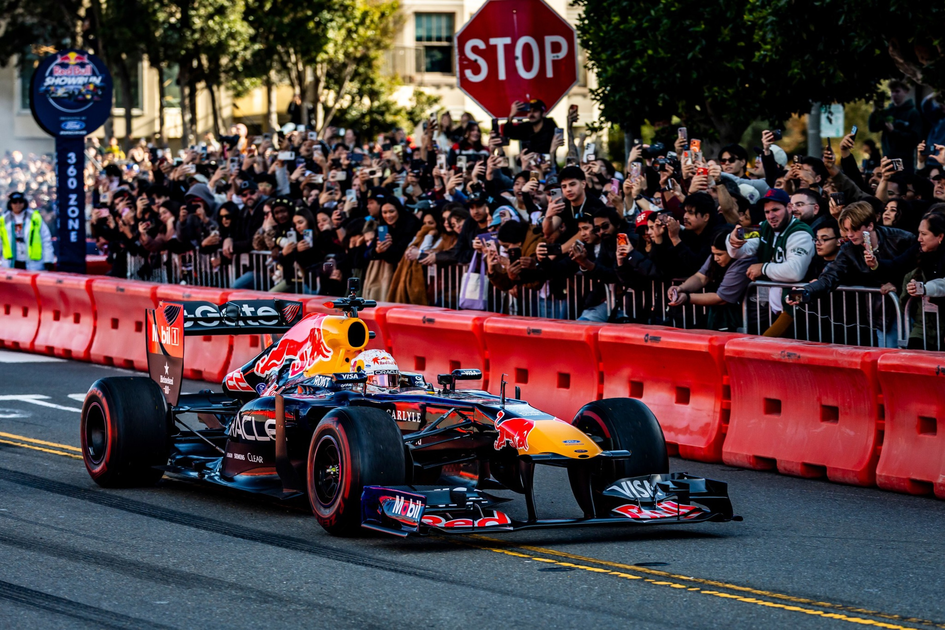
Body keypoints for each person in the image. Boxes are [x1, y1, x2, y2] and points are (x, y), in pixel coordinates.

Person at [788, 200, 918, 347]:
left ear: (869, 225)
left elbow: (917, 268)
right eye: (846, 229)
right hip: (881, 315)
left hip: (913, 309)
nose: (849, 235)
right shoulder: (849, 249)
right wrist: (803, 292)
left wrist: (897, 283)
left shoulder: (902, 239)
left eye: (854, 229)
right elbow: (830, 277)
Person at [667, 229, 757, 331]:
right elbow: (700, 277)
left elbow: (721, 298)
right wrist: (680, 288)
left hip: (746, 320)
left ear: (733, 252)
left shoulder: (743, 263)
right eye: (713, 254)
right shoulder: (714, 257)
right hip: (722, 316)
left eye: (719, 255)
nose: (715, 258)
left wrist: (686, 298)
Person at [903, 212, 945, 349]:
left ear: (940, 236)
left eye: (924, 234)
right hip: (923, 329)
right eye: (919, 233)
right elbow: (895, 267)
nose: (919, 239)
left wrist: (926, 288)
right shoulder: (921, 256)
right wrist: (910, 288)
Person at [868, 80, 922, 171]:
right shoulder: (888, 112)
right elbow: (873, 128)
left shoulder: (912, 113)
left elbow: (915, 138)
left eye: (897, 91)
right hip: (887, 157)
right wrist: (875, 111)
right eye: (892, 92)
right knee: (888, 183)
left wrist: (894, 132)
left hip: (904, 159)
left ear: (905, 92)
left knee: (903, 183)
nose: (894, 95)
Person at [1, 191, 54, 270]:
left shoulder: (35, 218)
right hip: (10, 264)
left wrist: (48, 260)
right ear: (10, 204)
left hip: (33, 264)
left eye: (20, 202)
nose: (17, 205)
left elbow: (45, 239)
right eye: (14, 202)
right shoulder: (4, 220)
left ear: (24, 203)